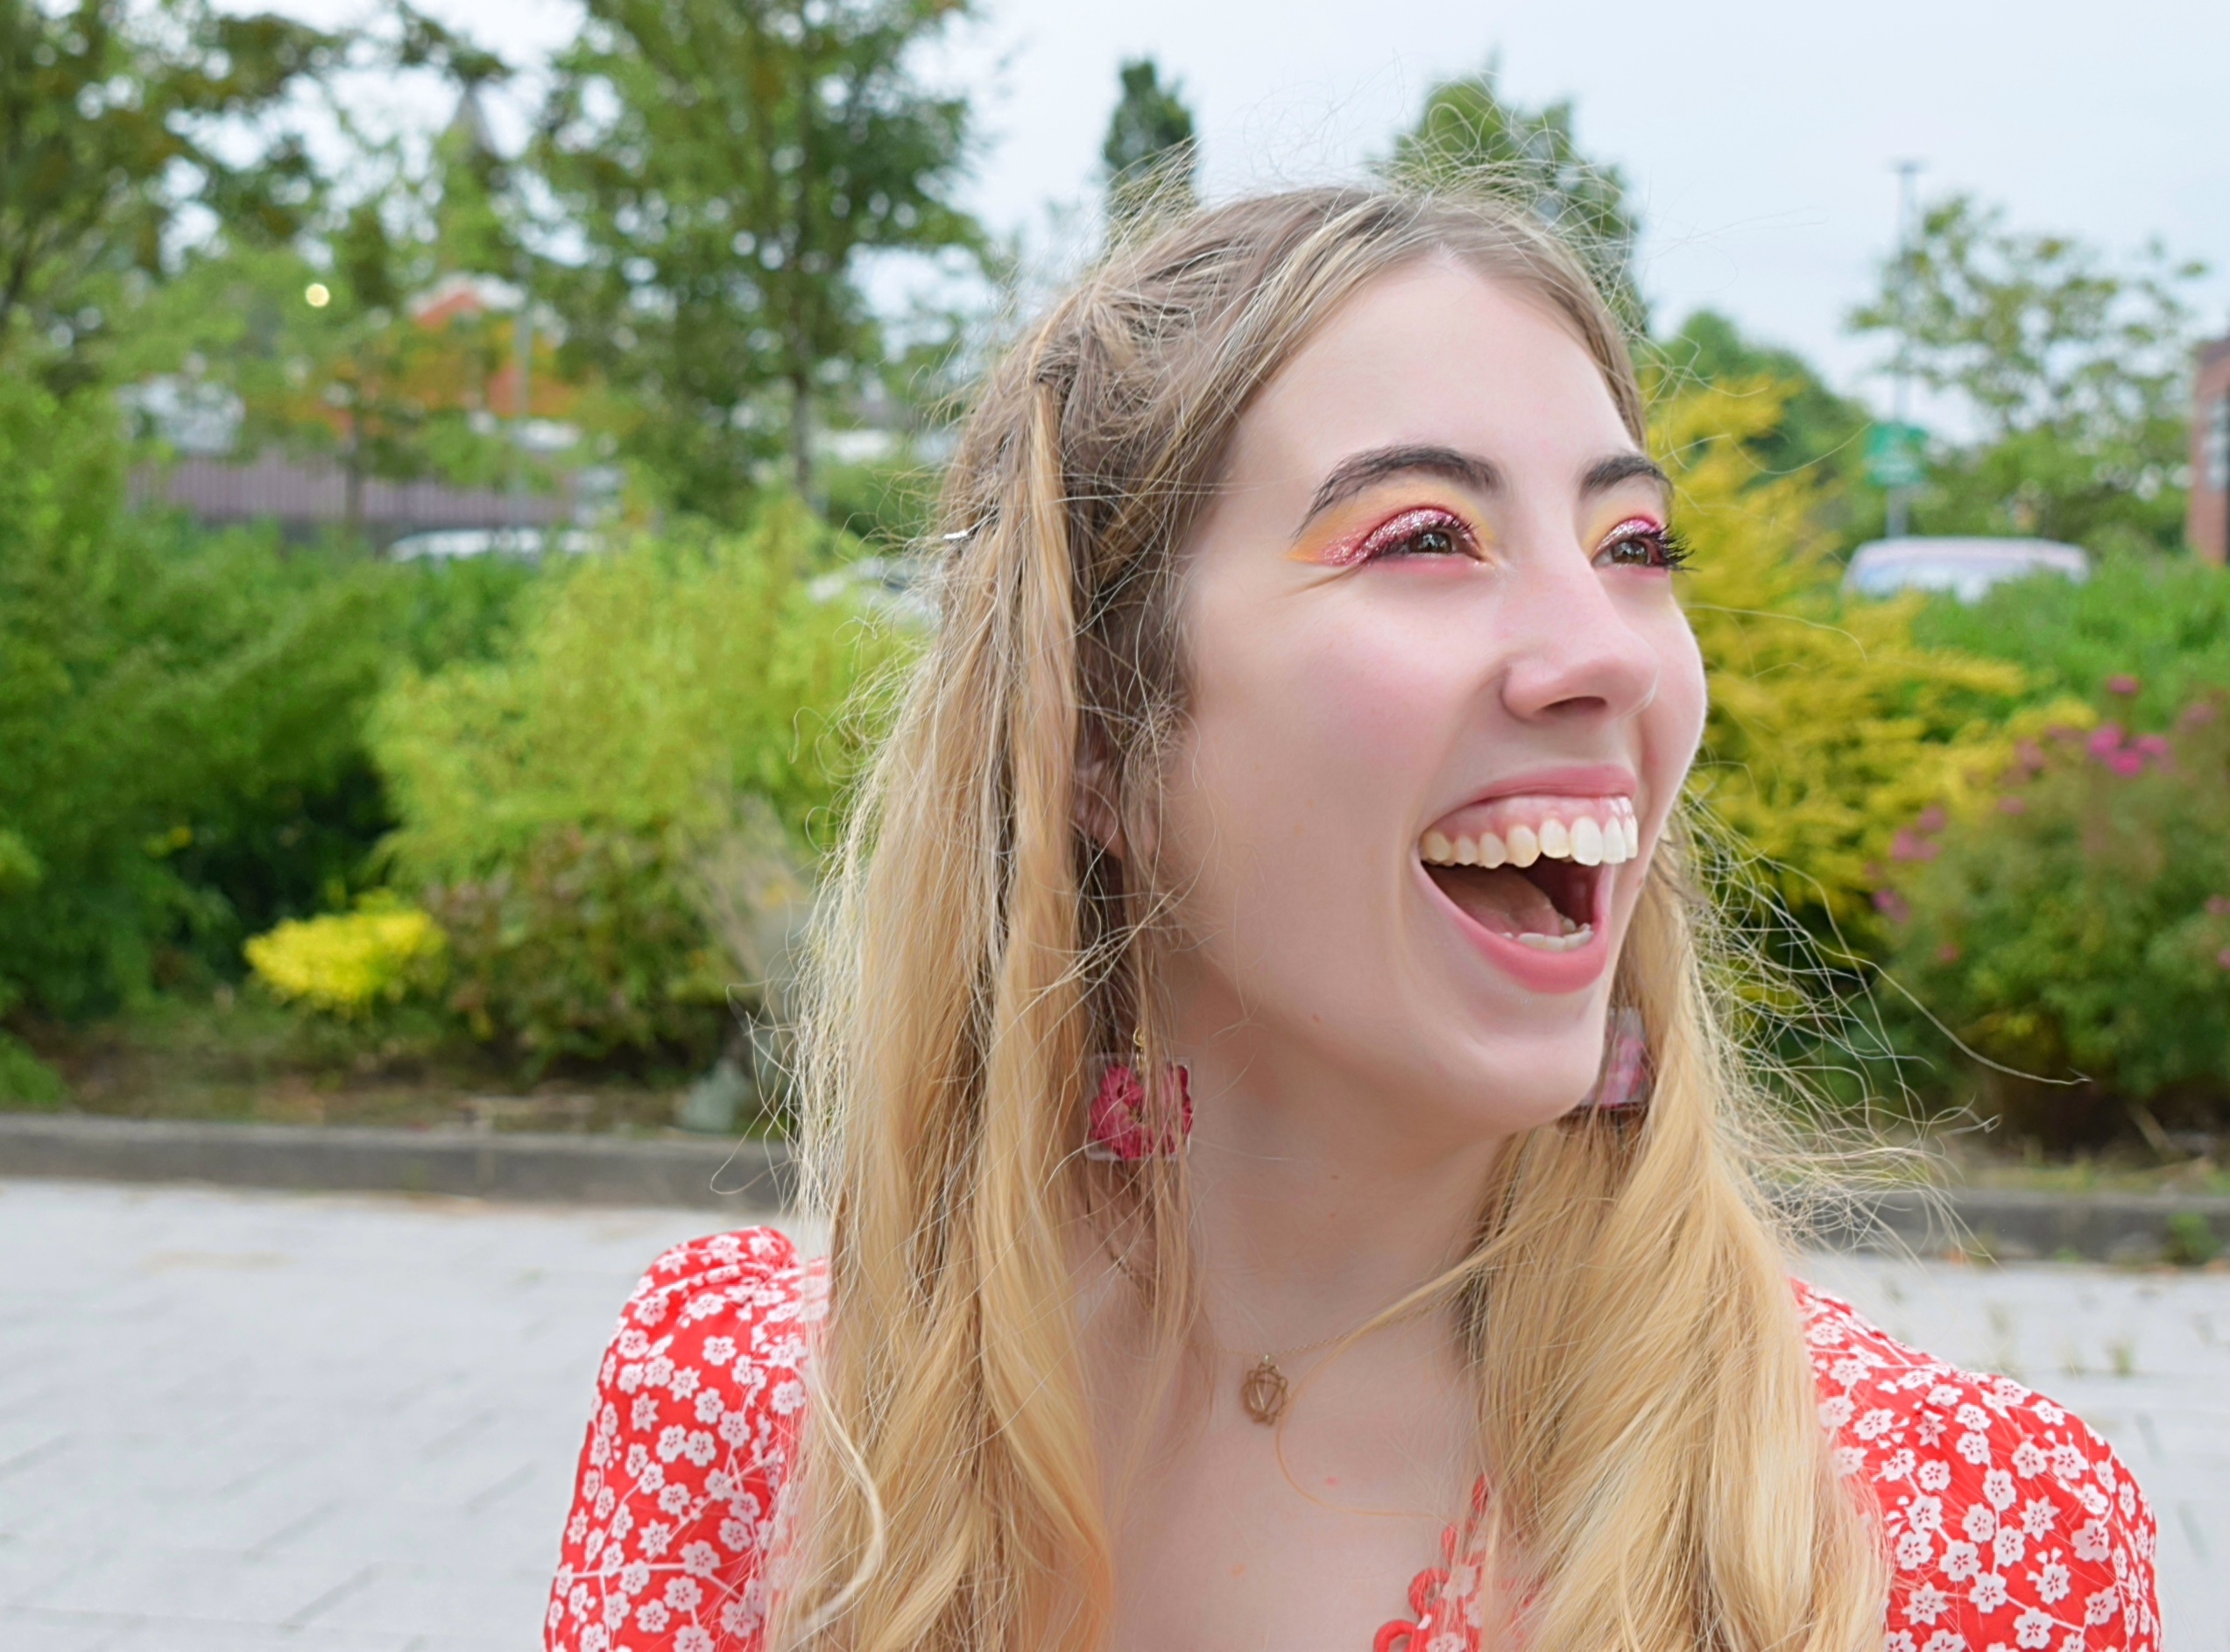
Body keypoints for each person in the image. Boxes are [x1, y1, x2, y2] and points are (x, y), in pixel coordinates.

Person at [544, 187, 2160, 1652]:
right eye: (1426, 538)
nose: (1600, 648)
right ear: (1103, 740)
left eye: (1634, 544)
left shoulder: (1947, 1544)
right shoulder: (765, 1421)